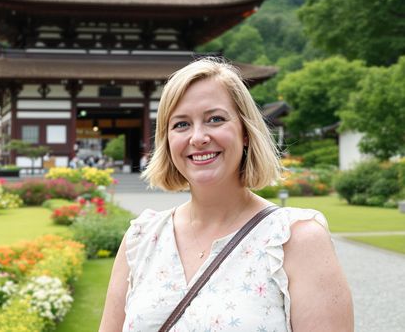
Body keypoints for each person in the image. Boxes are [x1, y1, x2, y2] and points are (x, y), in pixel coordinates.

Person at [99, 58, 353, 331]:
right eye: (181, 124)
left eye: (215, 119)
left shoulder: (295, 239)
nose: (198, 137)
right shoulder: (142, 239)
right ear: (167, 140)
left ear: (245, 132)